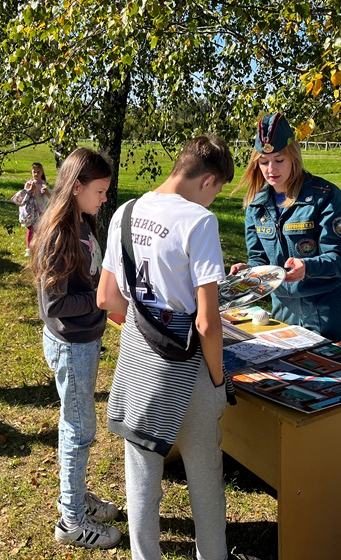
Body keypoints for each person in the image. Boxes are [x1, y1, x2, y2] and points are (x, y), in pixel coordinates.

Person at [98, 134, 245, 560]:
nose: (212, 200)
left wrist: (149, 322)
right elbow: (207, 322)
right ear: (209, 180)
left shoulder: (124, 212)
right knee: (205, 475)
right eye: (216, 191)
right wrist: (217, 380)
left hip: (138, 360)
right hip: (190, 365)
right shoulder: (199, 222)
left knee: (141, 473)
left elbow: (107, 298)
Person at [29, 148, 122, 550]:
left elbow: (90, 276)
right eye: (99, 191)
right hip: (72, 346)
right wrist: (101, 300)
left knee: (79, 426)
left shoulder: (81, 221)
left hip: (83, 340)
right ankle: (71, 519)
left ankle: (76, 496)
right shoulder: (60, 233)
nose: (104, 198)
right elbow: (54, 305)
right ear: (76, 186)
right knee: (78, 430)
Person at [230, 112, 341, 343]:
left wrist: (307, 267)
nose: (271, 169)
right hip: (283, 310)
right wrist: (248, 271)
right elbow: (260, 259)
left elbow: (340, 261)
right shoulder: (256, 205)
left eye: (279, 160)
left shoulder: (325, 197)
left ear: (293, 157)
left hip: (326, 310)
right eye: (264, 162)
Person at [22, 162, 51, 255]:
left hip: (41, 210)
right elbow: (24, 197)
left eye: (38, 172)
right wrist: (30, 190)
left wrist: (46, 192)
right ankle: (29, 248)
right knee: (31, 229)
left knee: (41, 229)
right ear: (31, 172)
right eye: (34, 172)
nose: (36, 174)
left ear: (42, 173)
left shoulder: (44, 184)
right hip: (31, 210)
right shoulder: (29, 184)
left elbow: (50, 197)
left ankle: (40, 247)